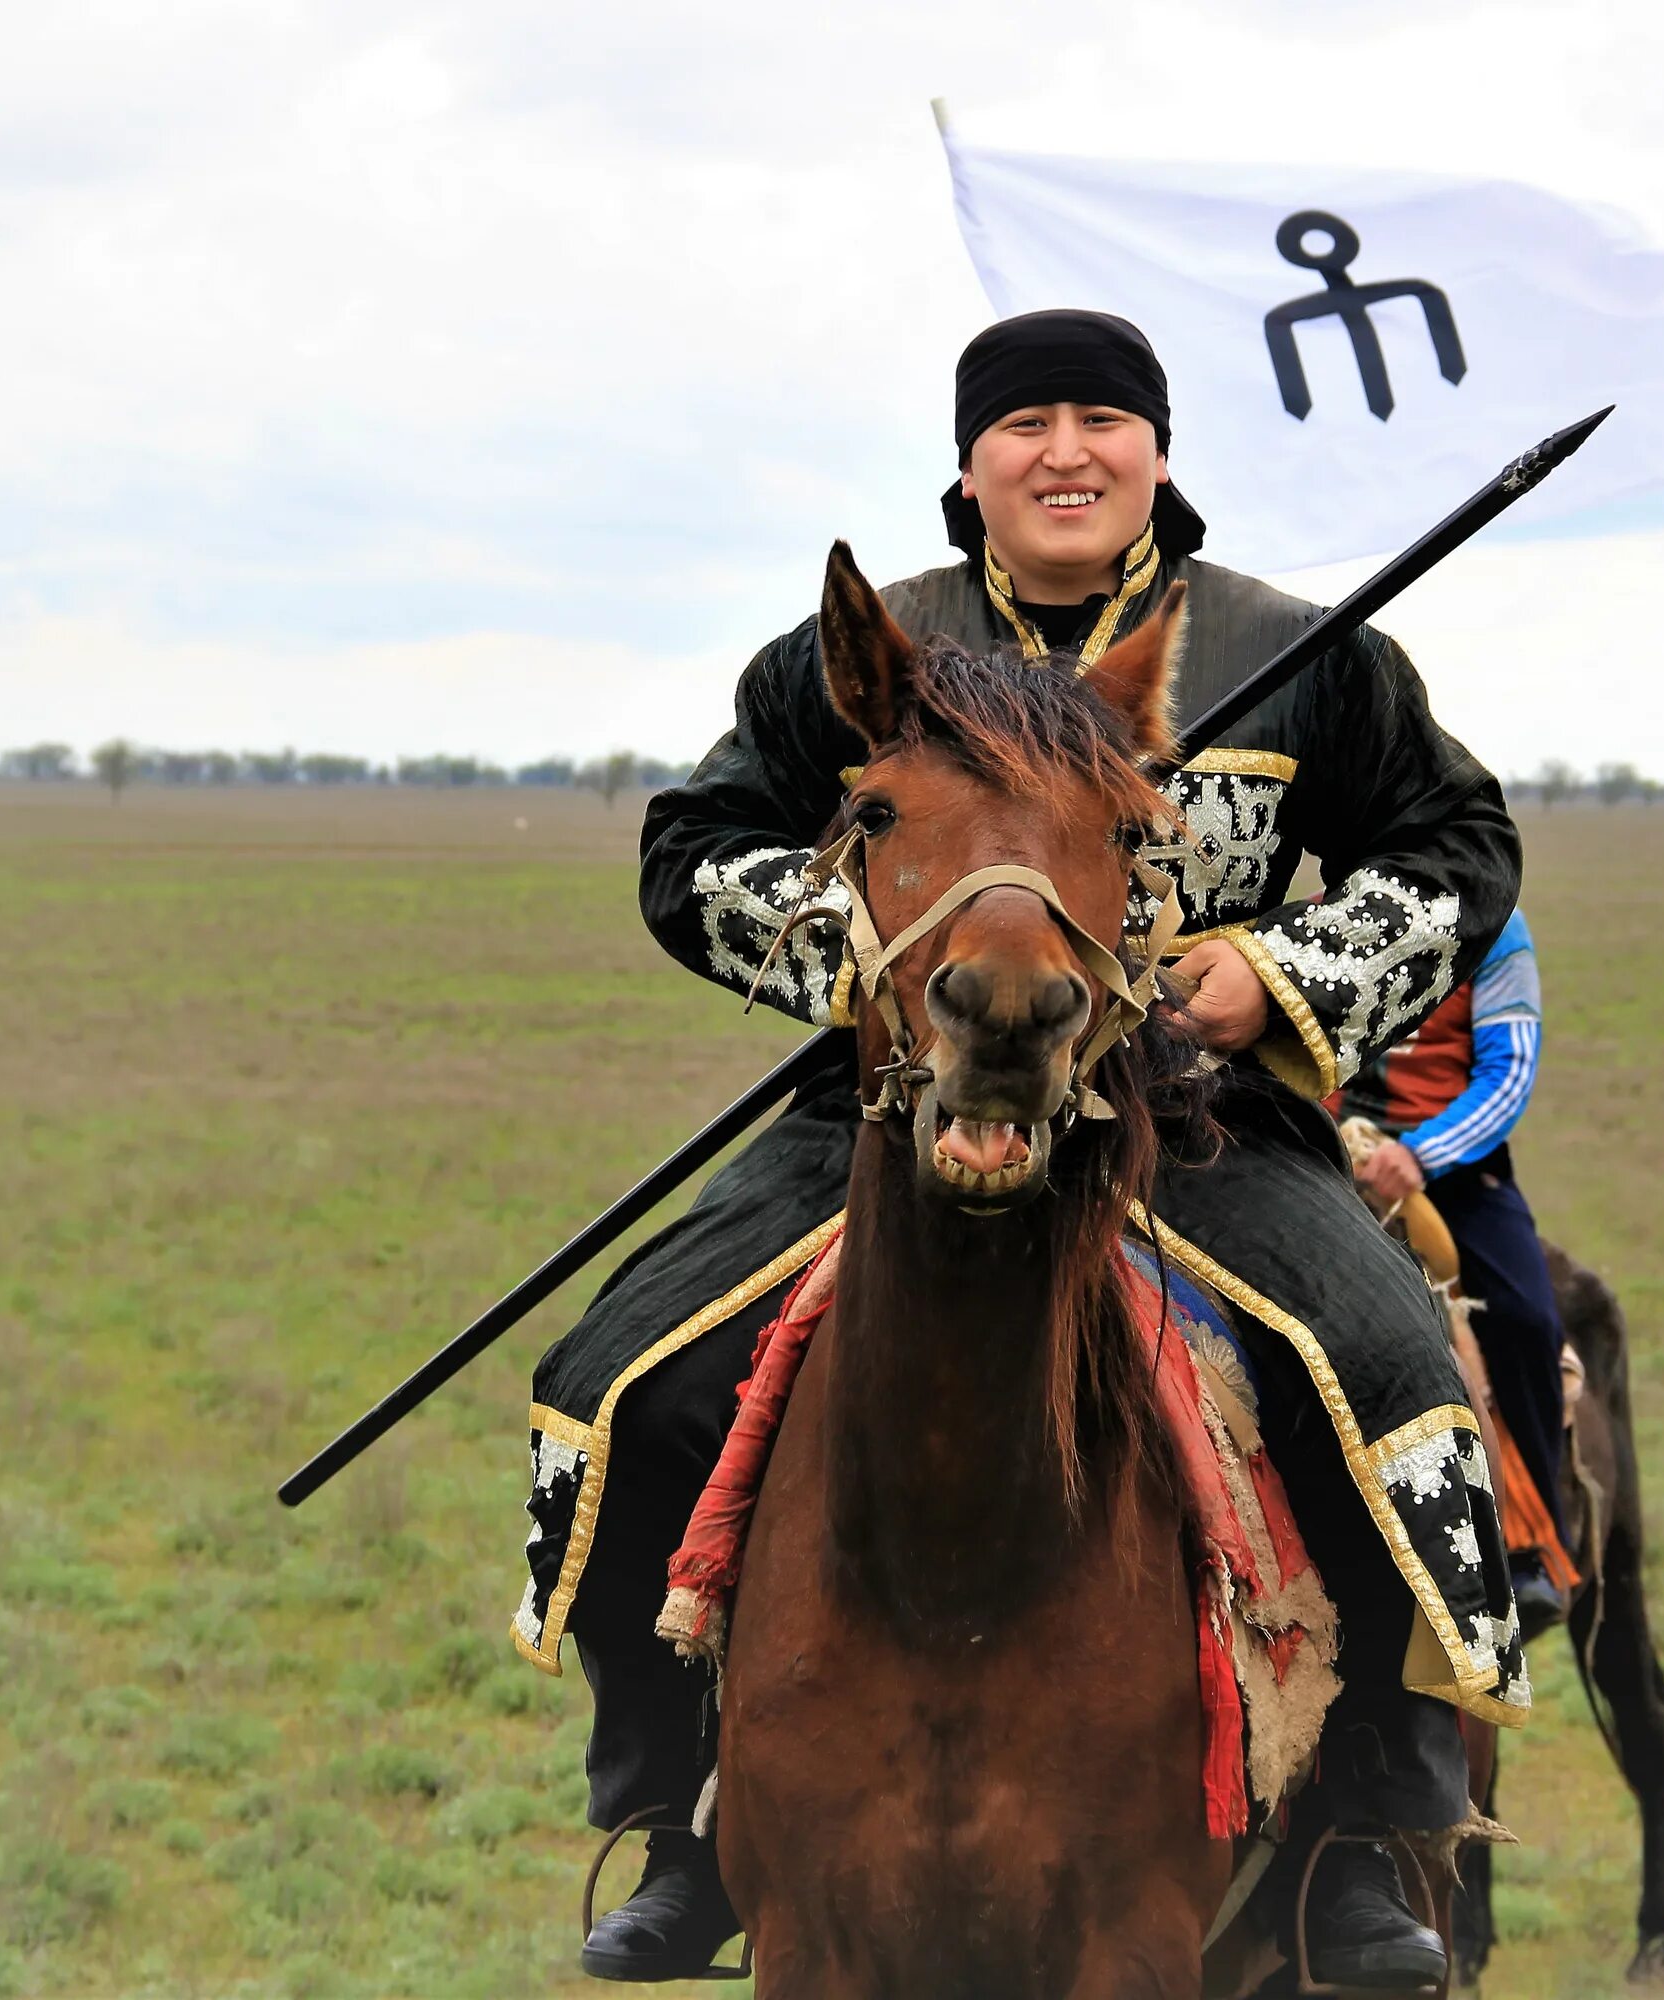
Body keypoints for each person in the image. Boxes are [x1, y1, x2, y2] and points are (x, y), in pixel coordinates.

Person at [513, 309, 1528, 1989]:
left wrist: (1267, 973)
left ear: (1157, 452)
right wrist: (857, 957)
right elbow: (693, 848)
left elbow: (1456, 844)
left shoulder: (1299, 649)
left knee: (1395, 1380)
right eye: (1027, 422)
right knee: (615, 1378)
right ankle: (684, 1822)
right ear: (971, 465)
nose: (1067, 450)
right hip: (888, 1112)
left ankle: (1369, 1830)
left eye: (1103, 419)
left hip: (1197, 1122)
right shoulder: (857, 656)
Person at [1341, 908, 1574, 1637]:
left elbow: (1509, 1073)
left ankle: (1535, 1547)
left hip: (1448, 1166)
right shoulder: (1330, 915)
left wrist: (1421, 1153)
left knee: (1525, 1318)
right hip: (1327, 1154)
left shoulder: (1497, 929)